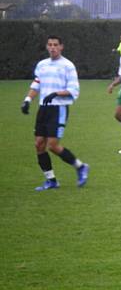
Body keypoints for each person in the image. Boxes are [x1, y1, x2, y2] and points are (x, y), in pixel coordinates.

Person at [20, 35, 89, 191]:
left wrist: (56, 93)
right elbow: (36, 83)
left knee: (52, 145)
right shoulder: (42, 65)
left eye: (55, 45)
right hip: (43, 109)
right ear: (47, 46)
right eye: (50, 45)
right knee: (39, 144)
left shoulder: (68, 66)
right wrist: (27, 100)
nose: (52, 47)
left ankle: (81, 167)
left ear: (61, 47)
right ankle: (51, 180)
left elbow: (73, 90)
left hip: (58, 108)